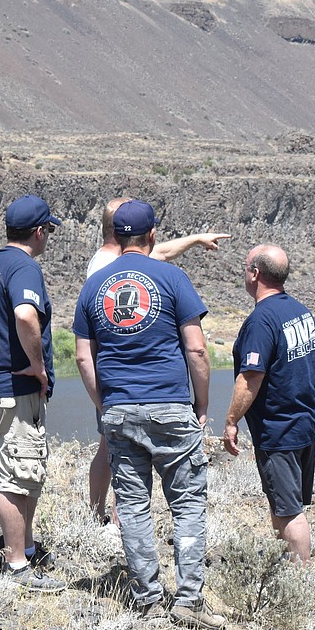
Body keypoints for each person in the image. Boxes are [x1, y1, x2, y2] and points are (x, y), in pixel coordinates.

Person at [74, 200, 224, 630]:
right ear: (153, 235)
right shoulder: (173, 278)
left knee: (135, 505)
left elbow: (85, 358)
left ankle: (149, 600)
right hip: (171, 405)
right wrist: (201, 404)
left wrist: (105, 405)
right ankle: (189, 600)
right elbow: (196, 348)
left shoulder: (93, 286)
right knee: (188, 503)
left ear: (117, 238)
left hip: (120, 408)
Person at [85, 196, 230, 525]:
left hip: (115, 381)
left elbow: (158, 252)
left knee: (111, 444)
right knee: (117, 451)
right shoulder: (106, 268)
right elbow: (197, 349)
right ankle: (109, 518)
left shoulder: (115, 259)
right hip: (125, 380)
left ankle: (105, 517)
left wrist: (195, 239)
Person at [0, 194, 65, 593]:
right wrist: (36, 364)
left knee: (27, 468)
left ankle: (27, 546)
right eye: (48, 231)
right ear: (39, 231)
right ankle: (17, 565)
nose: (48, 238)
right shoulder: (24, 267)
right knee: (16, 473)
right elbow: (25, 315)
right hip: (14, 385)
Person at [223, 244, 315, 565]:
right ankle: (291, 573)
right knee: (287, 505)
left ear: (255, 273)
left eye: (245, 266)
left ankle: (301, 586)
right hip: (303, 422)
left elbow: (250, 378)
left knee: (289, 511)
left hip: (279, 431)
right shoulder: (300, 311)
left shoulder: (261, 321)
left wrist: (232, 420)